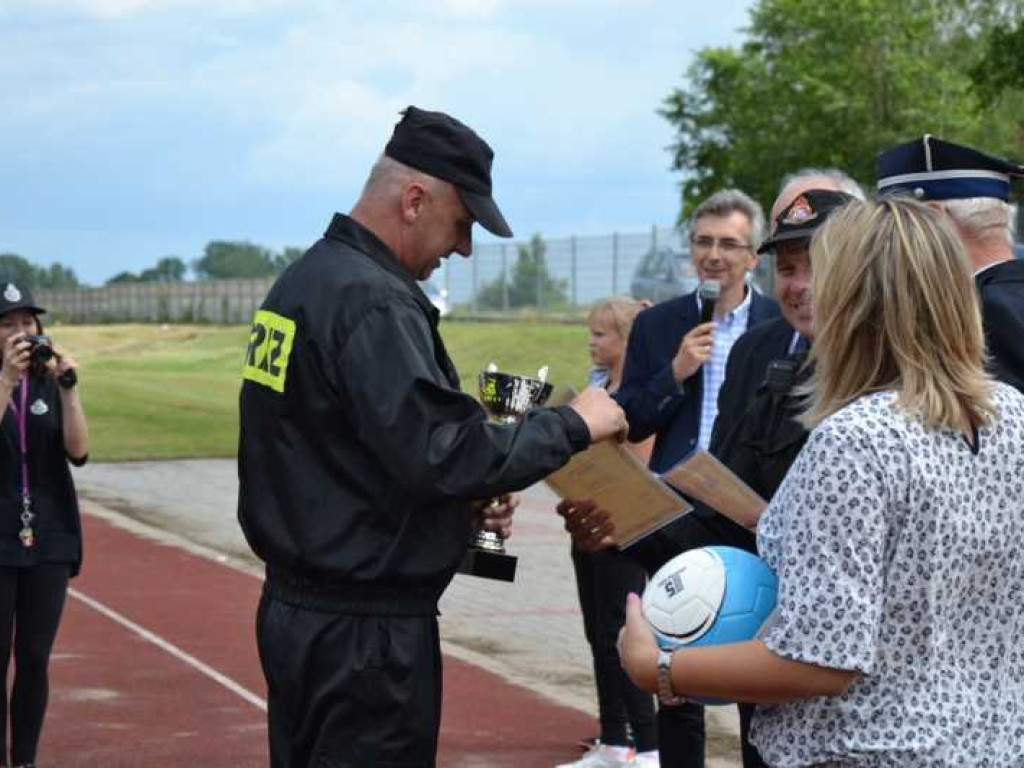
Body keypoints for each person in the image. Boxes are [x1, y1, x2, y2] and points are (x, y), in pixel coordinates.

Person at [236, 106, 628, 768]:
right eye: (463, 223)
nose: (465, 247)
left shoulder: (303, 282)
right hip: (363, 638)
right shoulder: (374, 301)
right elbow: (442, 451)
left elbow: (341, 452)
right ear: (415, 200)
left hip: (304, 613)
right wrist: (574, 423)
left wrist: (456, 503)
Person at [619, 196, 1024, 767]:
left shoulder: (854, 440)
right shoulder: (1011, 415)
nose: (808, 291)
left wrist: (658, 667)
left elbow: (820, 660)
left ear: (856, 299)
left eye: (824, 274)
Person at [560, 177, 860, 768]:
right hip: (762, 649)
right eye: (788, 267)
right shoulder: (762, 353)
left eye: (814, 266)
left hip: (856, 698)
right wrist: (625, 520)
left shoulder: (889, 381)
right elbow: (719, 507)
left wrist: (666, 669)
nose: (797, 286)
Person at [612, 188, 780, 768]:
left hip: (748, 509)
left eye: (730, 243)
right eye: (703, 242)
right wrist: (676, 371)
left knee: (755, 660)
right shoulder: (660, 324)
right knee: (674, 665)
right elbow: (631, 416)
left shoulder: (778, 323)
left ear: (754, 255)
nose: (714, 255)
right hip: (675, 511)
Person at [561, 298, 658, 768]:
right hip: (588, 529)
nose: (591, 341)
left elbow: (638, 466)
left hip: (624, 534)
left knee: (625, 638)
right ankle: (614, 740)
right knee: (598, 635)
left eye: (600, 334)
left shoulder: (639, 395)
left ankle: (650, 747)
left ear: (625, 339)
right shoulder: (596, 388)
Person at [0, 281, 88, 768]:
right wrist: (6, 382)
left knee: (34, 658)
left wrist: (71, 392)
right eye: (7, 324)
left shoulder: (49, 382)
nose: (20, 333)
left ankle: (25, 760)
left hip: (48, 534)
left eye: (27, 323)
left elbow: (78, 452)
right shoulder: (8, 382)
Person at [876, 134, 1024, 392]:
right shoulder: (1004, 299)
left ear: (935, 220)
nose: (885, 244)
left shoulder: (981, 312)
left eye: (895, 225)